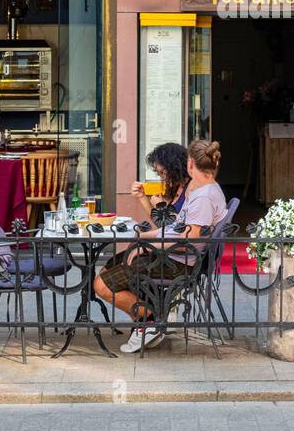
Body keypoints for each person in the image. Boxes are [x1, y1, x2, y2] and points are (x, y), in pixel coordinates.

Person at [94, 140, 227, 353]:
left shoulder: (203, 197)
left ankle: (150, 320)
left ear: (190, 162)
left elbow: (188, 241)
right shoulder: (205, 190)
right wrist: (145, 238)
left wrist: (147, 246)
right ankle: (150, 319)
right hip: (173, 257)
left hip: (177, 262)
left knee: (102, 285)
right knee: (108, 269)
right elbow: (176, 229)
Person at [129, 142, 190, 220]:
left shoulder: (192, 187)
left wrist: (162, 207)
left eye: (163, 172)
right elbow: (162, 224)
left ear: (175, 167)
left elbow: (181, 226)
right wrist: (142, 196)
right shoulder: (176, 187)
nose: (162, 177)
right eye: (159, 174)